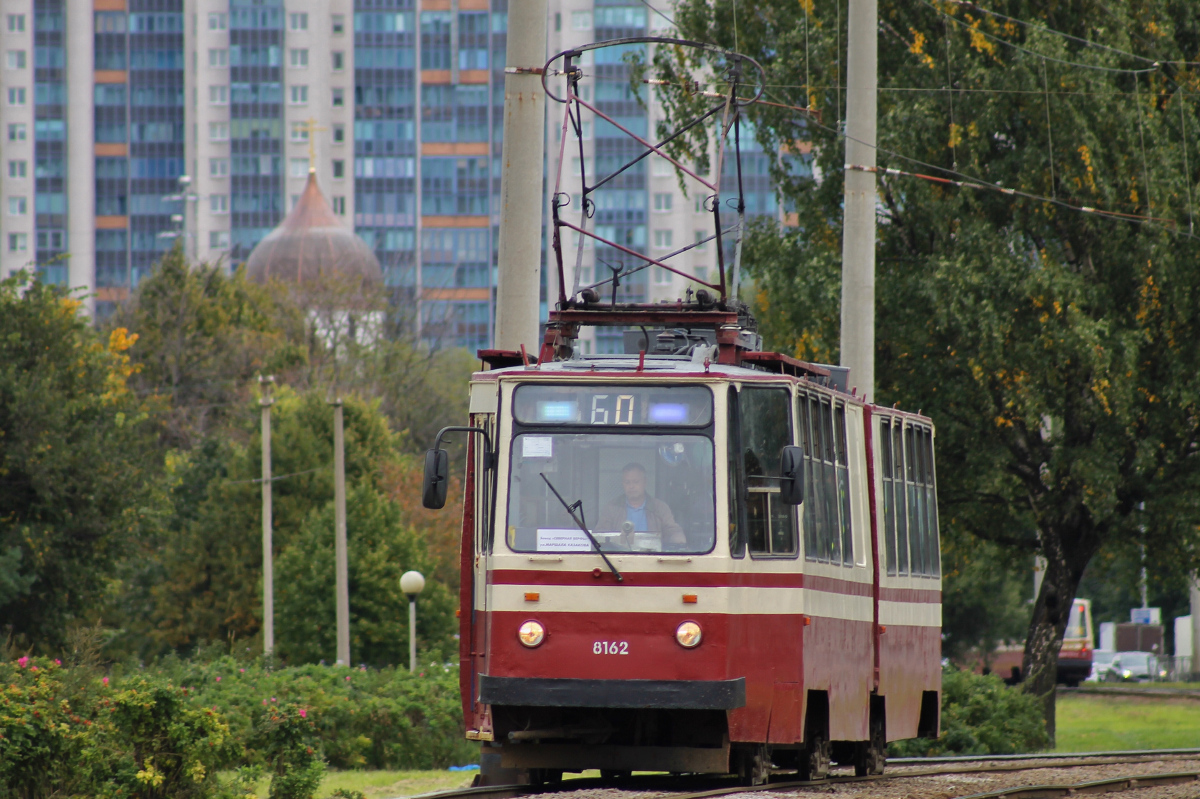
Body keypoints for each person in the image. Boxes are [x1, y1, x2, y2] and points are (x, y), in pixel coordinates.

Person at [597, 463, 685, 548]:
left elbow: (672, 530)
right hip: (618, 560)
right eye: (627, 482)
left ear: (645, 482)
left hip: (652, 559)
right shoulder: (611, 508)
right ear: (622, 484)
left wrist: (678, 538)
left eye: (636, 482)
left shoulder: (660, 508)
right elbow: (599, 536)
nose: (631, 486)